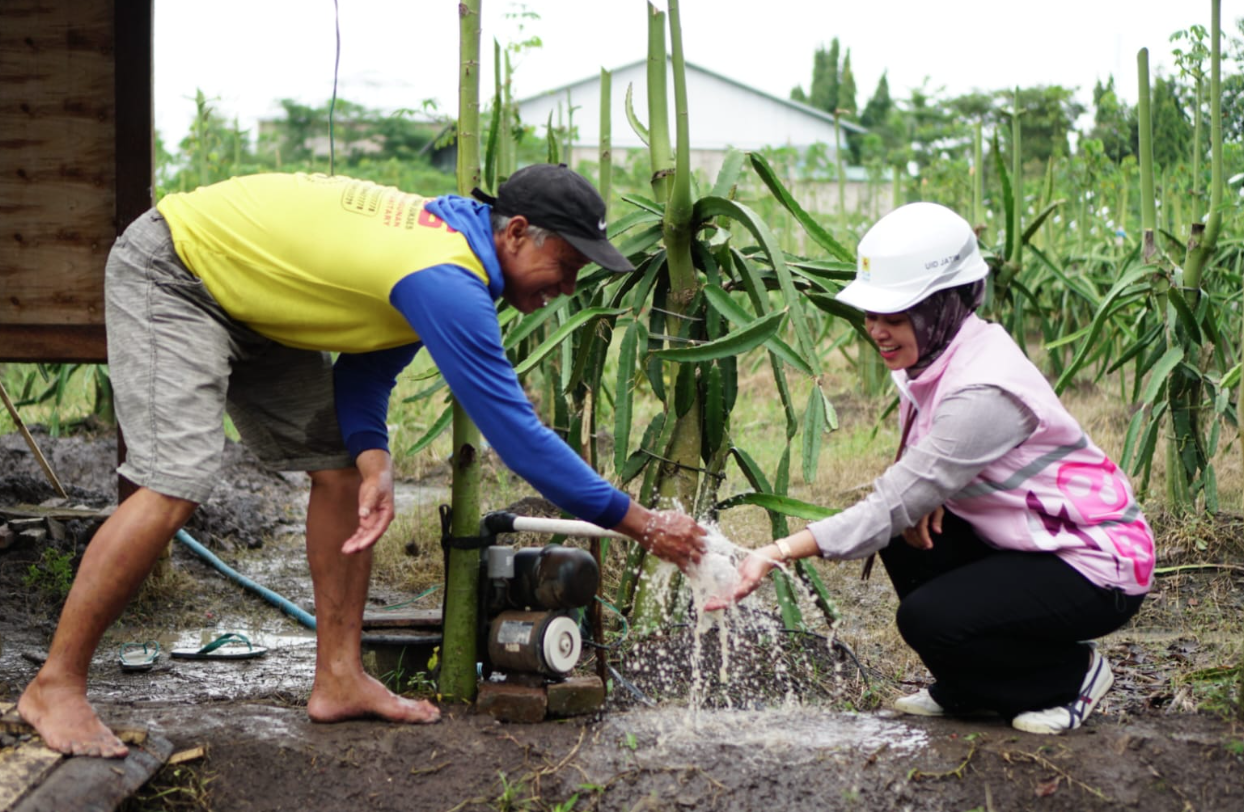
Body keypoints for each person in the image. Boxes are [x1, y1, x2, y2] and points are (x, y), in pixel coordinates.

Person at [19, 164, 708, 758]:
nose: (568, 285)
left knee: (343, 472)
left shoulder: (453, 251)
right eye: (568, 265)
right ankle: (56, 686)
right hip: (178, 270)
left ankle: (339, 678)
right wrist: (642, 523)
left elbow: (366, 371)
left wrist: (373, 456)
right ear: (517, 231)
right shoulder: (446, 277)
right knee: (178, 478)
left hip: (254, 296)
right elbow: (518, 436)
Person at [708, 202, 1152, 735]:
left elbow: (892, 500)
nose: (876, 330)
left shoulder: (984, 388)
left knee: (925, 616)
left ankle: (1067, 675)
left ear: (942, 307)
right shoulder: (935, 356)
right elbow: (916, 486)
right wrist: (934, 494)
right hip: (1035, 542)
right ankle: (969, 686)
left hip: (1096, 564)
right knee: (903, 535)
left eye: (895, 316)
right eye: (870, 314)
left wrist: (776, 552)